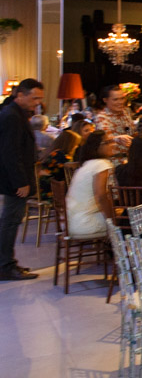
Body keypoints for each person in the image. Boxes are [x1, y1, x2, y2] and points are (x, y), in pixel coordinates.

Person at [0, 79, 45, 280]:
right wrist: (21, 182)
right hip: (15, 182)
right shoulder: (12, 116)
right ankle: (5, 266)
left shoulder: (16, 113)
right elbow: (10, 153)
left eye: (40, 98)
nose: (38, 102)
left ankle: (7, 263)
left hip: (15, 179)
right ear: (20, 96)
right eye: (34, 98)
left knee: (11, 221)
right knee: (10, 222)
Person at [65, 129, 117, 240]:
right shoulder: (102, 165)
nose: (112, 145)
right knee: (129, 220)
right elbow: (101, 196)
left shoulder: (88, 164)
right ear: (97, 146)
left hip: (69, 222)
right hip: (85, 223)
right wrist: (112, 220)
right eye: (107, 142)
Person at [94, 84, 137, 155]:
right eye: (115, 99)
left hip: (131, 156)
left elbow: (132, 132)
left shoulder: (126, 112)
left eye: (122, 98)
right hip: (114, 159)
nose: (120, 102)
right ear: (105, 100)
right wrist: (117, 139)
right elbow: (103, 139)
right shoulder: (101, 117)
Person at [40, 129, 81, 196]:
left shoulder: (55, 152)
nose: (76, 146)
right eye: (75, 144)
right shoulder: (60, 155)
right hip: (51, 191)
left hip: (46, 187)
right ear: (69, 144)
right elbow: (70, 168)